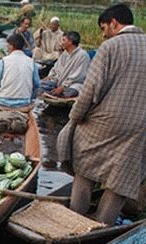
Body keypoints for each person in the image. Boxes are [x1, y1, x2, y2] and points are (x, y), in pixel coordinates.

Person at [62, 4, 146, 226]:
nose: (103, 33)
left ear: (114, 23)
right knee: (121, 178)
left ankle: (75, 218)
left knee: (84, 165)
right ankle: (103, 223)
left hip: (104, 123)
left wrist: (75, 117)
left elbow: (89, 91)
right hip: (138, 128)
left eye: (104, 28)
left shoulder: (110, 47)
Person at [0, 33, 39, 108]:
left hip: (3, 101)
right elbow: (37, 85)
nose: (7, 46)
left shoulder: (4, 61)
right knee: (38, 88)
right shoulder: (32, 62)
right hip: (25, 101)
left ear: (12, 46)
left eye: (8, 44)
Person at [38, 31, 89, 98]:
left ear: (70, 42)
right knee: (40, 86)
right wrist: (50, 77)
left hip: (73, 84)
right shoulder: (64, 54)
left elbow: (77, 76)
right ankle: (51, 94)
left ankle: (56, 95)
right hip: (59, 81)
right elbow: (56, 68)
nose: (61, 43)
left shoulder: (82, 55)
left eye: (64, 40)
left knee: (71, 92)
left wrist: (63, 87)